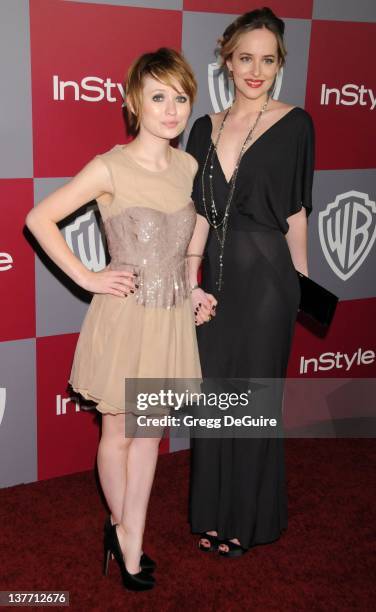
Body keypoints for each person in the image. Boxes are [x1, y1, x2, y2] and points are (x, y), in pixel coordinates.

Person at [26, 48, 212, 590]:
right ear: (134, 102)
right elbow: (39, 218)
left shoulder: (186, 165)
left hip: (171, 315)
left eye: (180, 98)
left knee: (149, 433)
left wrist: (193, 283)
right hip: (127, 316)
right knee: (119, 432)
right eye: (159, 97)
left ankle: (133, 535)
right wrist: (87, 277)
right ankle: (122, 526)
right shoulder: (110, 166)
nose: (172, 109)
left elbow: (192, 228)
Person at [186, 7, 314, 556]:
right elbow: (195, 214)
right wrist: (190, 281)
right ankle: (214, 514)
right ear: (227, 60)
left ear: (279, 63)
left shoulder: (295, 123)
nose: (255, 70)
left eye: (267, 59)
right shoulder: (202, 127)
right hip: (212, 283)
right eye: (245, 58)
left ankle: (246, 522)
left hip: (268, 285)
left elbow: (297, 214)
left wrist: (302, 286)